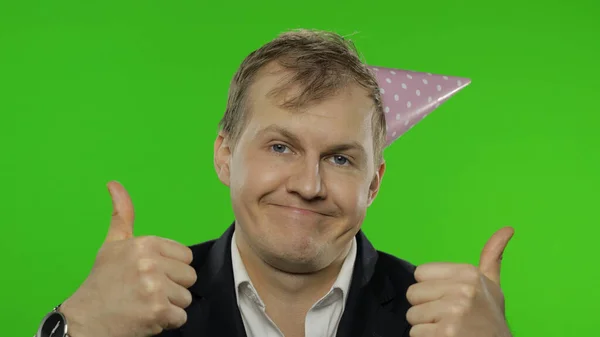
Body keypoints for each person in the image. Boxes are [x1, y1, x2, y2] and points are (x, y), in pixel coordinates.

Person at [34, 29, 514, 337]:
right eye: (281, 147)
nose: (309, 185)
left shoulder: (440, 318)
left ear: (374, 183)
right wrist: (76, 325)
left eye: (341, 158)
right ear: (225, 156)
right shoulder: (136, 303)